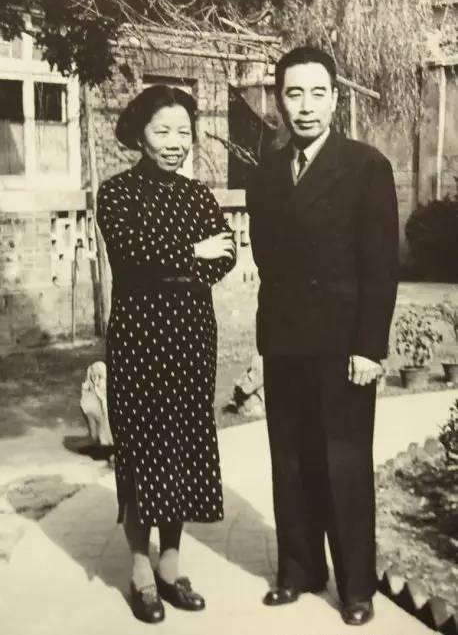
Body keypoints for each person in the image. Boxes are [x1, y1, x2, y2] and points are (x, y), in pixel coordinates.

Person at [246, 46, 399, 626]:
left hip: (343, 347)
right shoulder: (267, 173)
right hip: (285, 340)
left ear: (335, 99)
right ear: (278, 100)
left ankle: (356, 587)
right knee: (289, 459)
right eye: (294, 93)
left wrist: (369, 346)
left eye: (317, 93)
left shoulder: (366, 166)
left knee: (344, 463)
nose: (305, 106)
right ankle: (299, 570)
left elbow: (380, 266)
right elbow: (268, 258)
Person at [96, 84, 236, 623]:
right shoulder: (117, 193)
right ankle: (139, 571)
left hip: (192, 339)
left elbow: (225, 254)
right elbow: (130, 256)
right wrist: (191, 253)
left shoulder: (198, 195)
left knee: (183, 450)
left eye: (183, 131)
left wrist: (174, 264)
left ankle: (171, 567)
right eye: (163, 131)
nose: (175, 142)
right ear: (140, 135)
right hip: (139, 342)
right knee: (143, 451)